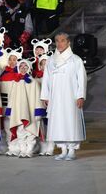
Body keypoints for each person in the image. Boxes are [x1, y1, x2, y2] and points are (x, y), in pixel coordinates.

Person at [40, 33, 87, 161]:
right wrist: (45, 96)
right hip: (55, 97)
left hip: (71, 97)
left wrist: (80, 96)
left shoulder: (75, 60)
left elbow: (81, 79)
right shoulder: (50, 60)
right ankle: (63, 149)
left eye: (62, 41)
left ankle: (71, 149)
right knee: (58, 122)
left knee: (70, 121)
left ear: (68, 42)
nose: (59, 43)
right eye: (57, 41)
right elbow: (46, 79)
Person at [6, 56, 44, 158]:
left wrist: (38, 112)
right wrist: (9, 111)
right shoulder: (15, 82)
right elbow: (11, 98)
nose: (23, 68)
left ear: (29, 68)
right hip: (18, 112)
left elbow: (37, 98)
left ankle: (29, 150)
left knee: (30, 131)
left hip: (31, 111)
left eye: (25, 67)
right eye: (21, 66)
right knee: (20, 131)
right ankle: (23, 150)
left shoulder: (34, 82)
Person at [0, 46, 22, 155]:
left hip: (17, 106)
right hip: (5, 106)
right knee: (7, 127)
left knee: (18, 126)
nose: (12, 62)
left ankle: (19, 147)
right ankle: (11, 146)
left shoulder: (21, 75)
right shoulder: (3, 74)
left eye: (14, 59)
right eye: (10, 59)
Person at [33, 50, 54, 156]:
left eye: (47, 64)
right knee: (41, 127)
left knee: (51, 126)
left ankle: (50, 146)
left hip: (51, 107)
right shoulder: (36, 79)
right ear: (39, 66)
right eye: (43, 64)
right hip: (40, 107)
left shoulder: (54, 79)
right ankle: (43, 145)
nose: (45, 67)